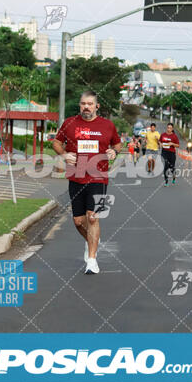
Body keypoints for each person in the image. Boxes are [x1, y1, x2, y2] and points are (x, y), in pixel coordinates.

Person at [53, 91, 122, 275]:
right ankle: (91, 241)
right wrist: (64, 154)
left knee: (93, 216)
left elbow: (117, 144)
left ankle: (92, 260)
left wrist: (114, 152)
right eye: (83, 103)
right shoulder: (69, 123)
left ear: (96, 106)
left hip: (98, 177)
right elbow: (57, 142)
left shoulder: (107, 125)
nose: (86, 107)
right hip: (76, 176)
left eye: (90, 104)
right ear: (79, 105)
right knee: (78, 221)